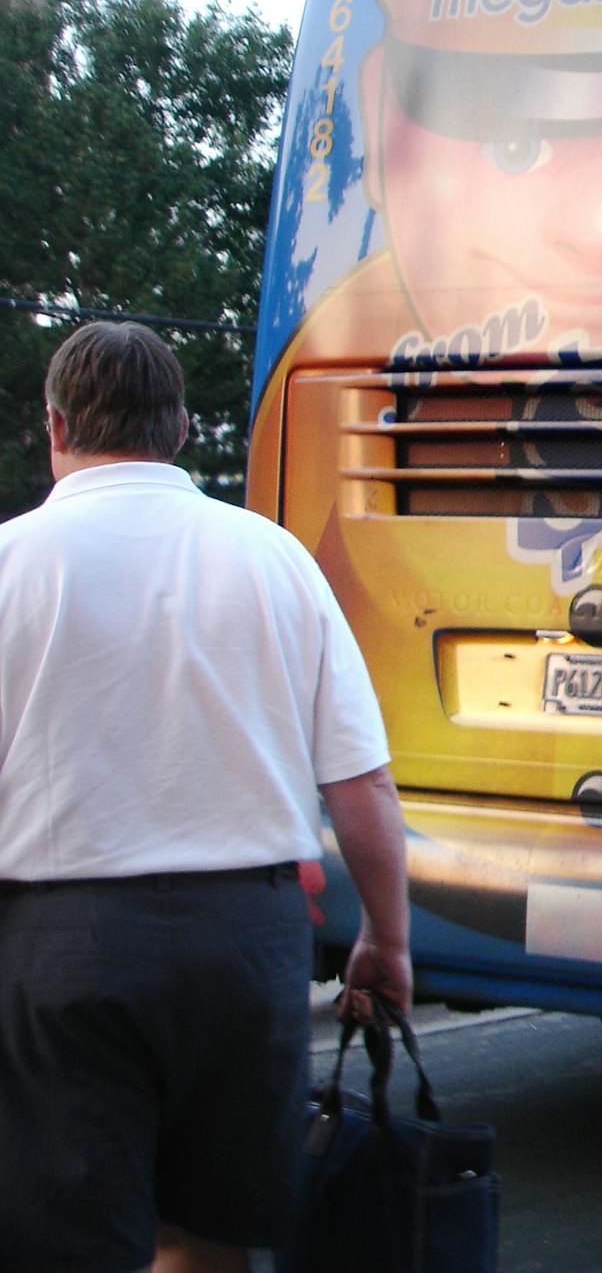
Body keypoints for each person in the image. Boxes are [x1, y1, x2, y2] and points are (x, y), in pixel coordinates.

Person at [0, 322, 412, 1273]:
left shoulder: (15, 562)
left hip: (59, 948)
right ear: (182, 426)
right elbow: (362, 782)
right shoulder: (273, 561)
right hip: (244, 942)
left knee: (68, 1239)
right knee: (211, 1235)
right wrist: (384, 942)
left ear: (56, 423)